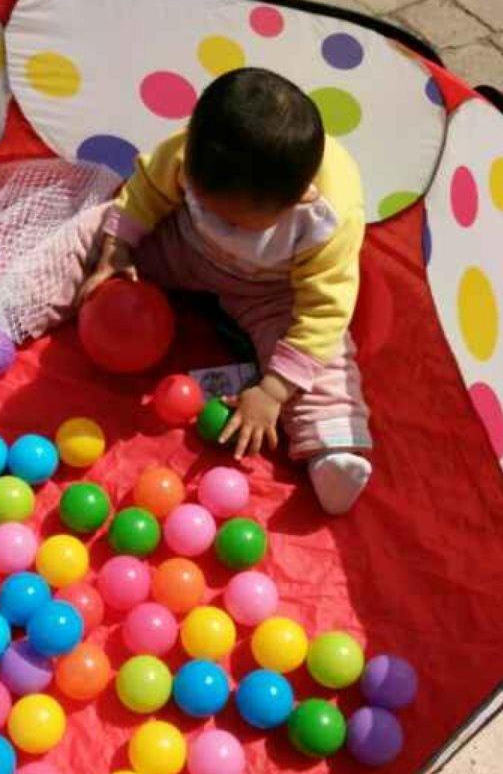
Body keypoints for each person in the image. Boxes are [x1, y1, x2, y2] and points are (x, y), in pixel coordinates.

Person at [80, 67, 372, 515]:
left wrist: (272, 392)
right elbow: (146, 190)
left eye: (235, 222)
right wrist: (116, 251)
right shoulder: (194, 150)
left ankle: (330, 449)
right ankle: (22, 296)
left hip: (271, 289)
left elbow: (323, 312)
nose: (223, 224)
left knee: (325, 357)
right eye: (208, 206)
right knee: (92, 231)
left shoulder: (329, 215)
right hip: (185, 247)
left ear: (300, 199)